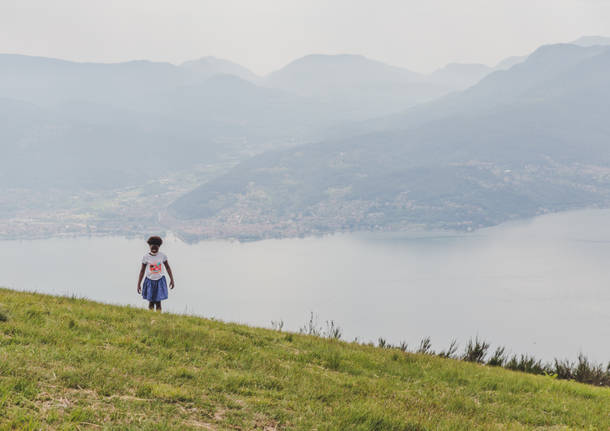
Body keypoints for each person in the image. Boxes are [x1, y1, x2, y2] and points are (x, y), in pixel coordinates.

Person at [137, 236, 175, 312]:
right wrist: (139, 284)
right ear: (149, 246)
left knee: (158, 302)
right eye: (152, 247)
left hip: (159, 281)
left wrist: (172, 279)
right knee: (151, 302)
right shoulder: (146, 257)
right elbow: (142, 270)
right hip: (149, 281)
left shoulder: (162, 256)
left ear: (159, 246)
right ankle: (151, 317)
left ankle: (158, 318)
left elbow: (167, 267)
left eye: (156, 247)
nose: (154, 249)